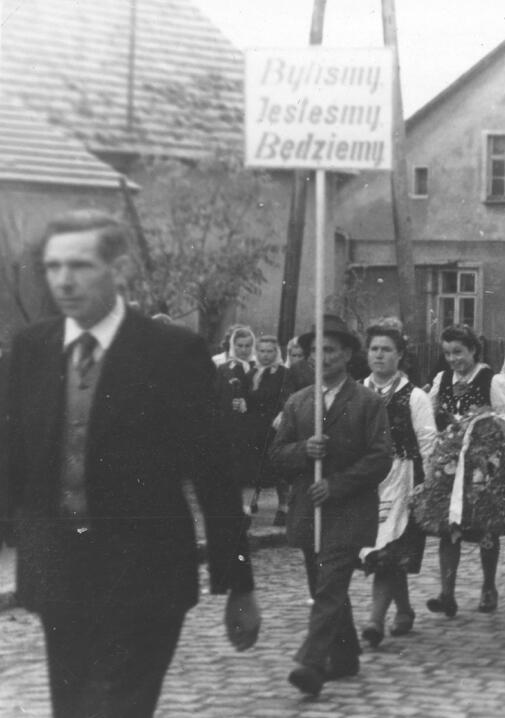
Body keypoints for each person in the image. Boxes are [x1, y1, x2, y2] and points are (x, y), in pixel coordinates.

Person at [0, 210, 260, 718]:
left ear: (119, 270)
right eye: (53, 267)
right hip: (60, 578)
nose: (63, 280)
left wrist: (239, 583)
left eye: (80, 265)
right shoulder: (32, 349)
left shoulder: (170, 352)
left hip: (147, 579)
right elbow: (11, 458)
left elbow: (213, 473)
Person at [269, 314, 392, 696]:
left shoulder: (368, 402)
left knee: (329, 586)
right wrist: (304, 451)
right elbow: (275, 455)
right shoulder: (297, 402)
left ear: (347, 354)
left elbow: (380, 457)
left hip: (348, 509)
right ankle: (345, 654)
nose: (323, 358)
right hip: (309, 510)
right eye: (316, 352)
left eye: (331, 350)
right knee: (324, 585)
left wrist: (336, 485)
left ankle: (311, 662)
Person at [422, 325, 505, 616]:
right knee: (448, 526)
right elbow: (429, 414)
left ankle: (489, 587)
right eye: (448, 353)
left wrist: (488, 438)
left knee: (486, 527)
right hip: (451, 464)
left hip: (482, 466)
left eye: (458, 352)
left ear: (473, 350)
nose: (453, 359)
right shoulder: (442, 379)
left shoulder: (492, 380)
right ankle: (447, 593)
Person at [358, 324, 436, 647]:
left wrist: (430, 486)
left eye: (386, 349)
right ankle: (403, 610)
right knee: (383, 551)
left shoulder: (415, 396)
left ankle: (374, 620)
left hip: (403, 478)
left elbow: (428, 442)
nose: (379, 355)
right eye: (374, 349)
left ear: (400, 355)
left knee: (388, 549)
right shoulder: (356, 391)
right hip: (365, 482)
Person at [246, 334, 289, 525]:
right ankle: (252, 501)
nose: (265, 355)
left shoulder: (283, 374)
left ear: (276, 352)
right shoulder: (251, 373)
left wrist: (281, 415)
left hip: (274, 425)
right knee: (254, 464)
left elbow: (288, 398)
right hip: (254, 426)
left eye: (270, 351)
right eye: (262, 351)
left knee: (278, 466)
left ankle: (284, 506)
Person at [216, 326, 258, 486]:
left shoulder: (258, 367)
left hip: (252, 422)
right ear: (233, 346)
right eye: (240, 346)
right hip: (231, 422)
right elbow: (217, 396)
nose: (244, 350)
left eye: (248, 346)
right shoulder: (225, 369)